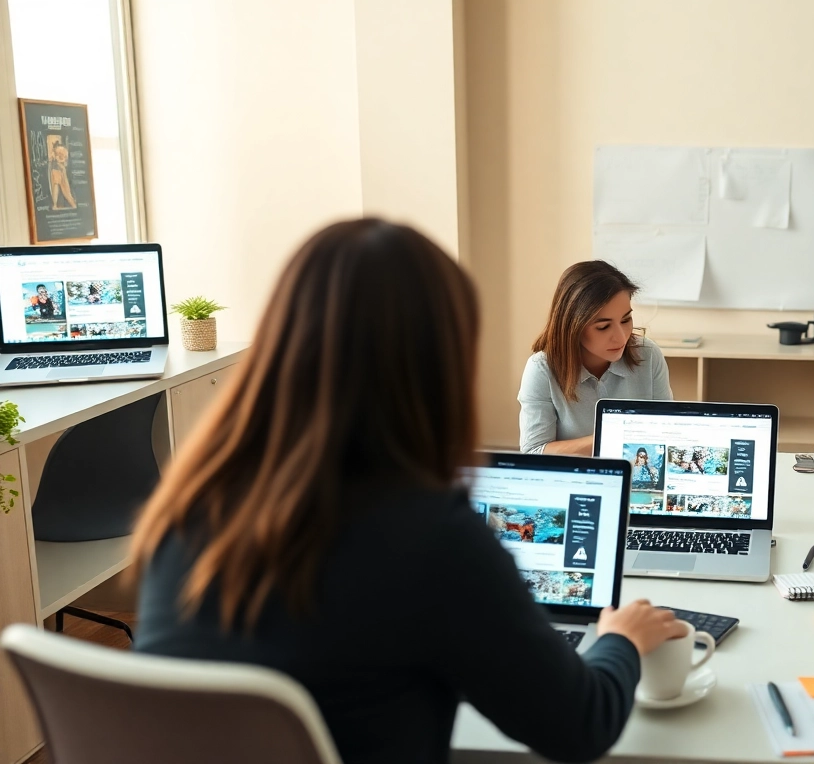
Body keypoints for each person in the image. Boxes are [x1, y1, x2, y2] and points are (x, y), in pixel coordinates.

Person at [132, 219, 684, 764]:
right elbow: (581, 727)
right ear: (440, 361)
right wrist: (621, 639)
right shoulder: (434, 541)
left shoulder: (186, 510)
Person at [519, 260, 672, 454]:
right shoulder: (541, 369)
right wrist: (610, 437)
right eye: (603, 326)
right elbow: (534, 451)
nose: (621, 336)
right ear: (573, 326)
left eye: (626, 320)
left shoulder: (648, 355)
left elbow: (665, 431)